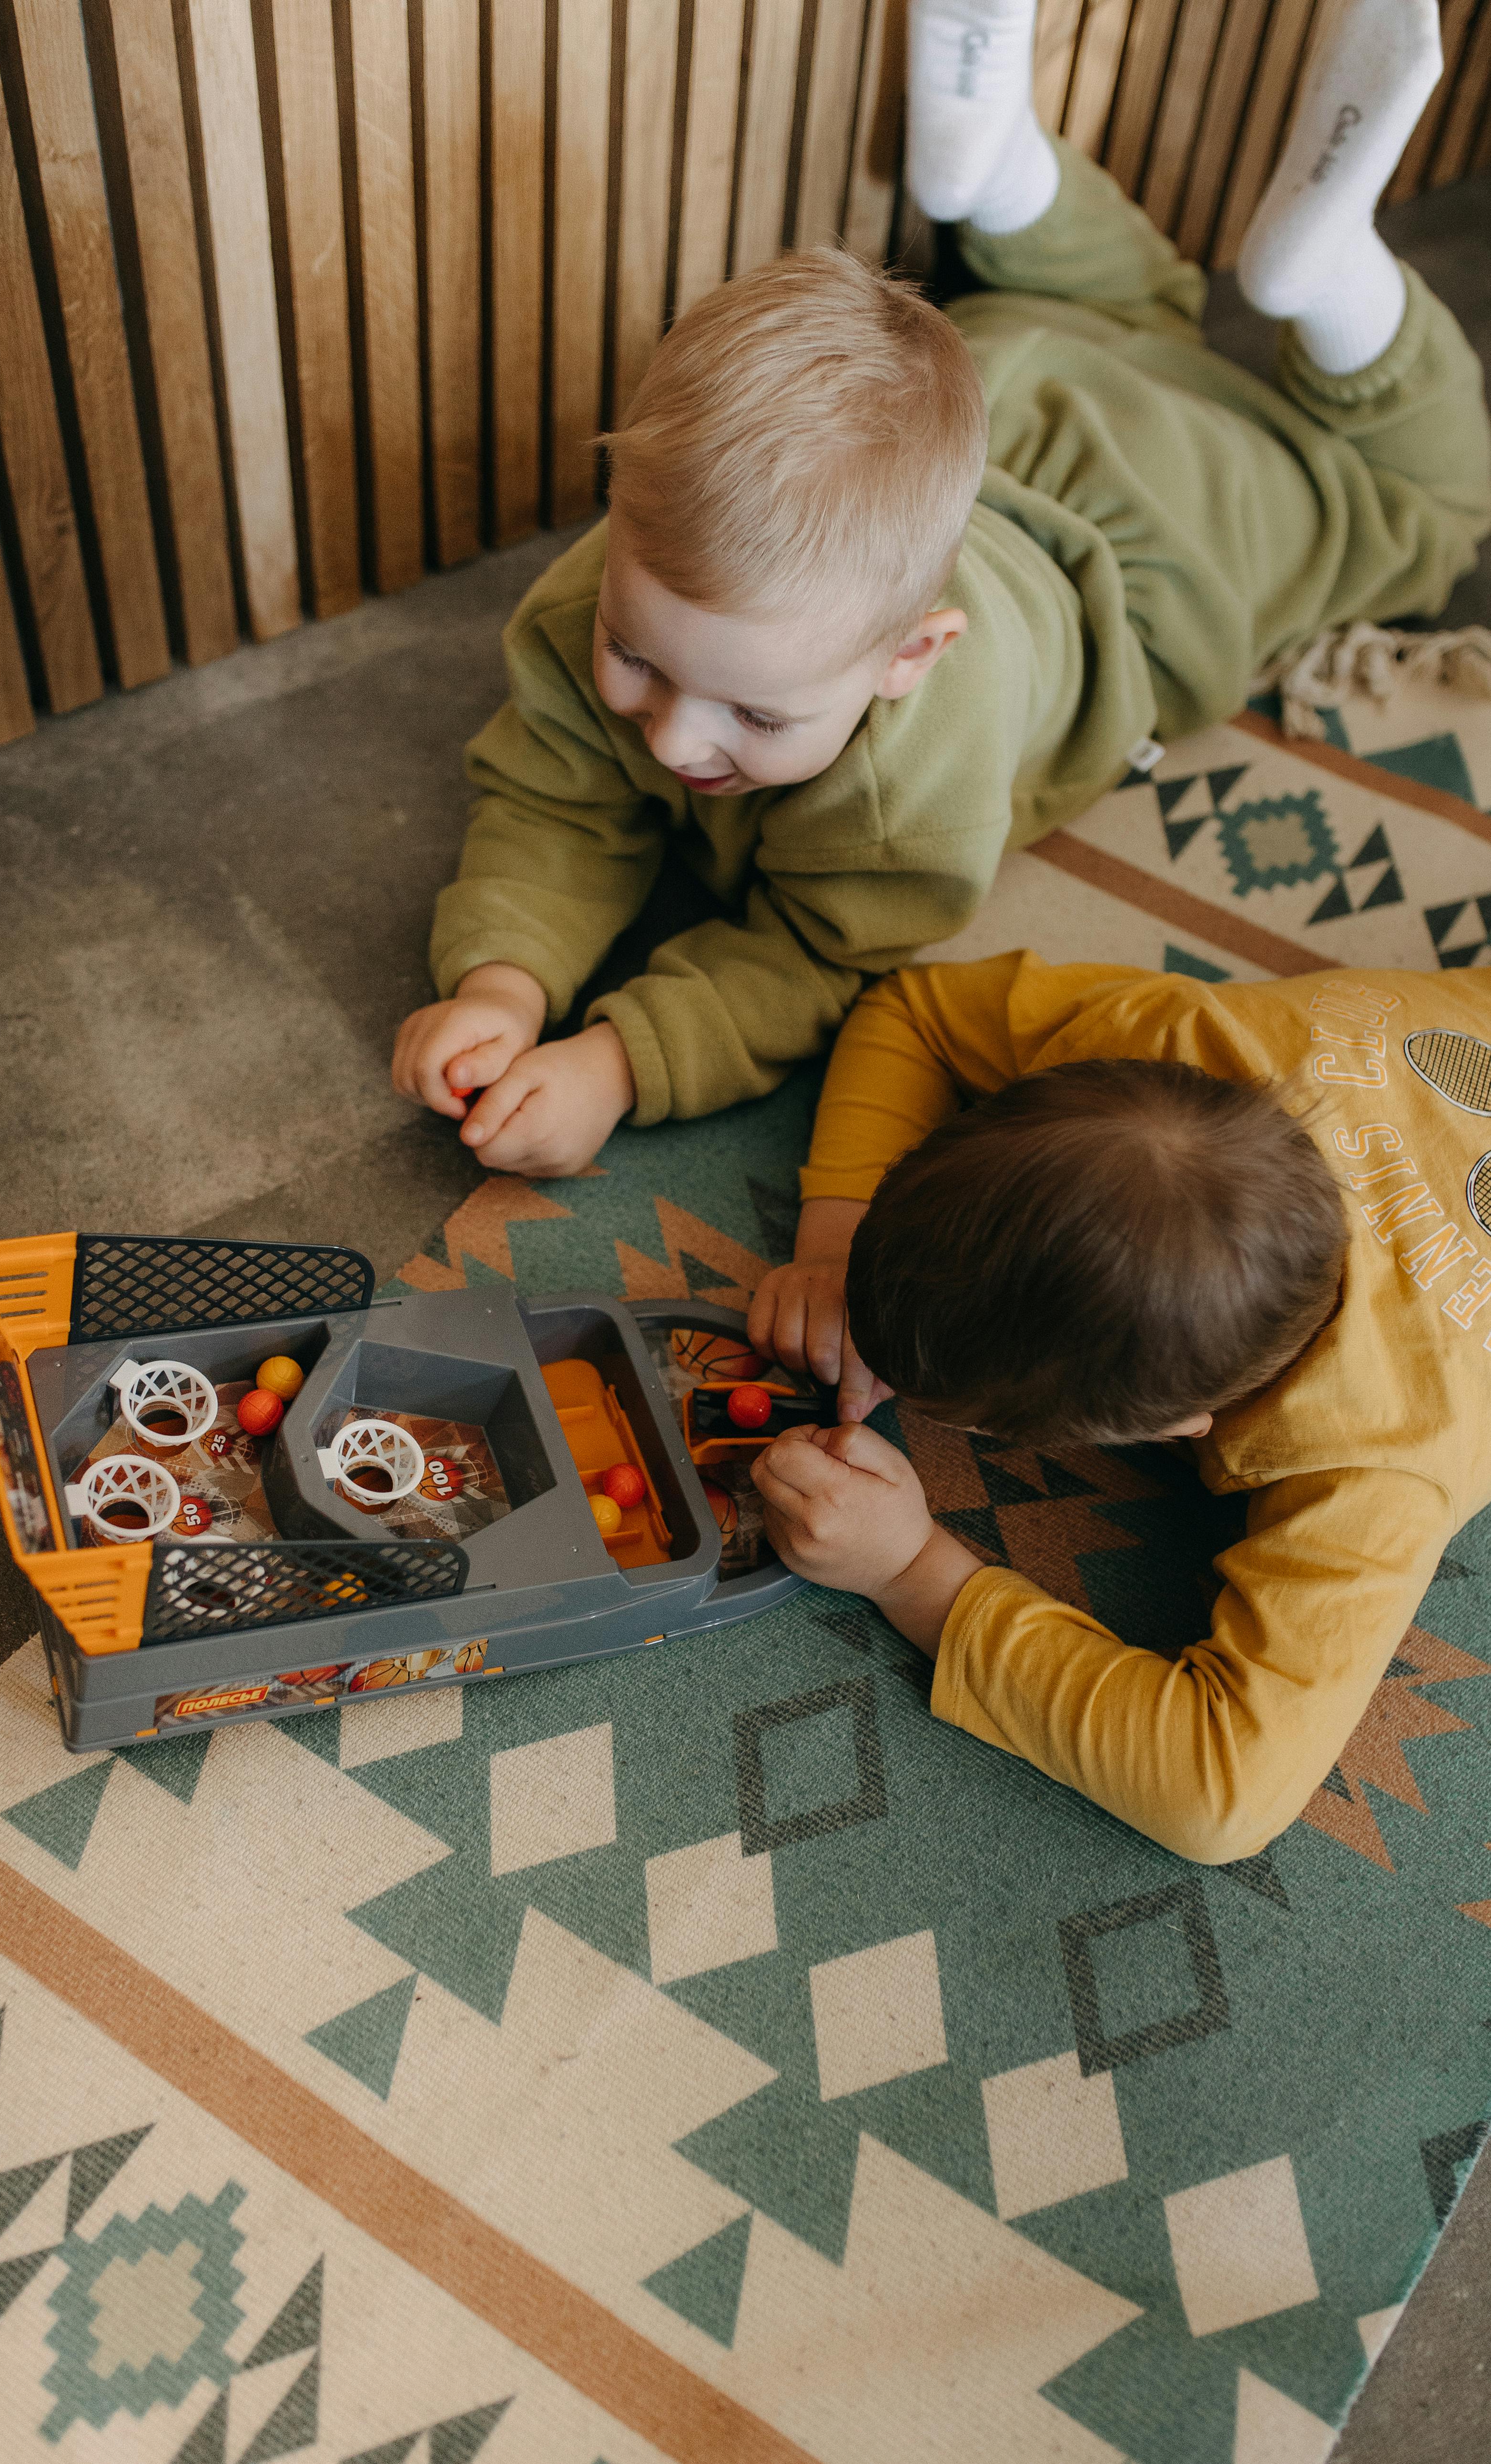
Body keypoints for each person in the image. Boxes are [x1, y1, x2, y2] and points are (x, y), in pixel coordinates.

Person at [393, 0, 1490, 1179]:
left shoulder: (907, 793)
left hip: (1183, 508)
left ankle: (1331, 277)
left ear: (911, 655)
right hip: (1013, 367)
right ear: (619, 526)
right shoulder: (621, 584)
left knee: (1428, 507)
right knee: (1122, 300)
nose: (670, 734)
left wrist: (620, 1061)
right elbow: (551, 798)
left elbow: (820, 954)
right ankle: (1000, 169)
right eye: (635, 657)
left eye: (758, 716)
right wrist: (503, 977)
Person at [746, 954, 1491, 1861]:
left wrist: (912, 1571)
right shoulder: (1159, 1036)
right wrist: (835, 1238)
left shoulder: (1381, 1454)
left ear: (1175, 1431)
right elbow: (914, 1007)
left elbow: (1223, 1797)